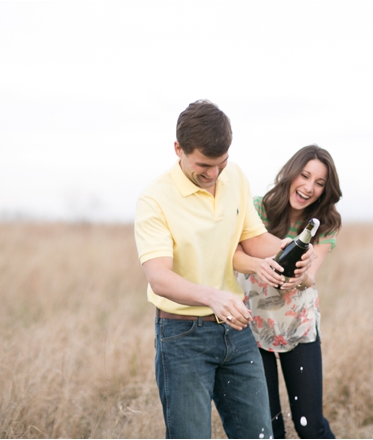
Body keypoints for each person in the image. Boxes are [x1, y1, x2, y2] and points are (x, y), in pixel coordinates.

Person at [134, 100, 314, 439]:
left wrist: (288, 250)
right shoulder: (154, 200)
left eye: (221, 163)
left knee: (259, 436)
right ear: (178, 149)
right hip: (182, 337)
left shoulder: (235, 177)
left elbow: (255, 237)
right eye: (203, 165)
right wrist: (212, 297)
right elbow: (159, 277)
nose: (213, 174)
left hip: (237, 333)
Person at [233, 145, 342, 439]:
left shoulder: (326, 222)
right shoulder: (256, 208)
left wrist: (300, 278)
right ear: (291, 173)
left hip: (299, 326)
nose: (309, 187)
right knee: (268, 427)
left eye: (320, 183)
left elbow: (311, 274)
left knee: (310, 425)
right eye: (305, 176)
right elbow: (234, 254)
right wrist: (258, 264)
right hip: (253, 328)